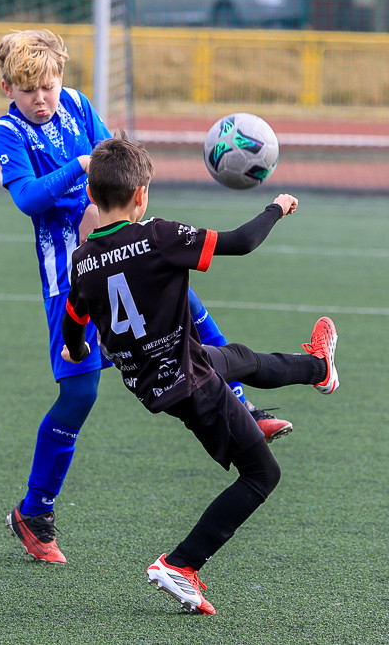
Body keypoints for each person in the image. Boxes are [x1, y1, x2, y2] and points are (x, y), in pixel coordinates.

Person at [0, 29, 292, 565]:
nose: (41, 98)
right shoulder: (8, 131)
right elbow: (29, 200)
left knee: (187, 308)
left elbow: (114, 154)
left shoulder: (79, 105)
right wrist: (79, 169)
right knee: (79, 396)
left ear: (62, 80)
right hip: (72, 274)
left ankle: (243, 403)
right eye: (27, 89)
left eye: (49, 86)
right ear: (9, 88)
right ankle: (34, 512)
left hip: (120, 247)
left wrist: (129, 185)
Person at [60, 131, 339, 615]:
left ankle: (319, 367)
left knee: (239, 357)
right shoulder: (157, 236)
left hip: (164, 374)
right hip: (191, 385)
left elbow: (72, 320)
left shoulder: (82, 262)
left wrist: (76, 348)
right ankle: (181, 564)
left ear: (90, 193)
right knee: (261, 476)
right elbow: (242, 242)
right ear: (141, 195)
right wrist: (277, 206)